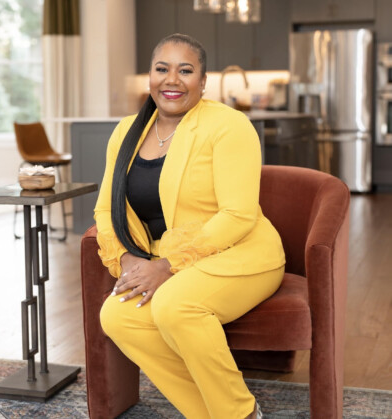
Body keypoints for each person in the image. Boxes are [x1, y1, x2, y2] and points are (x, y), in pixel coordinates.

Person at [95, 33, 285, 419]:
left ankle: (240, 413)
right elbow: (105, 209)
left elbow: (238, 215)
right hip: (169, 260)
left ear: (203, 80)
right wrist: (129, 260)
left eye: (185, 70)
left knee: (175, 306)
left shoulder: (229, 125)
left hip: (241, 253)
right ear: (150, 76)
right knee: (117, 316)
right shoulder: (126, 132)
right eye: (161, 69)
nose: (172, 80)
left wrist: (167, 266)